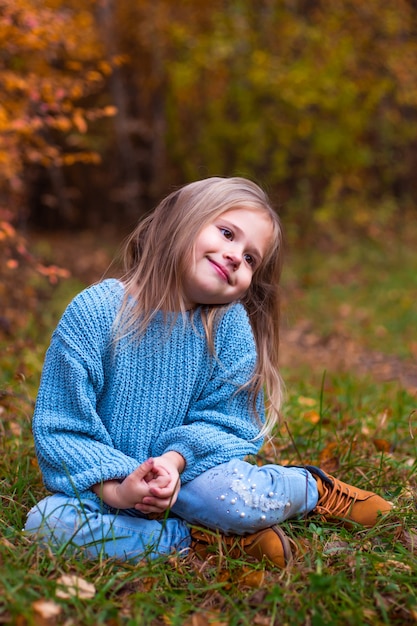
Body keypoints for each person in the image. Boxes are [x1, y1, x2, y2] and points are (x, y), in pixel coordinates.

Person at [25, 177, 392, 568]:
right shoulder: (95, 313)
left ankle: (310, 489)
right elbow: (63, 425)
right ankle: (197, 542)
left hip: (194, 477)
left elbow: (226, 421)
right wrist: (120, 490)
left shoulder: (226, 327)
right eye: (227, 233)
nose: (236, 256)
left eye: (251, 258)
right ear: (179, 220)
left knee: (235, 499)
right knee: (46, 524)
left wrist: (174, 461)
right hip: (105, 487)